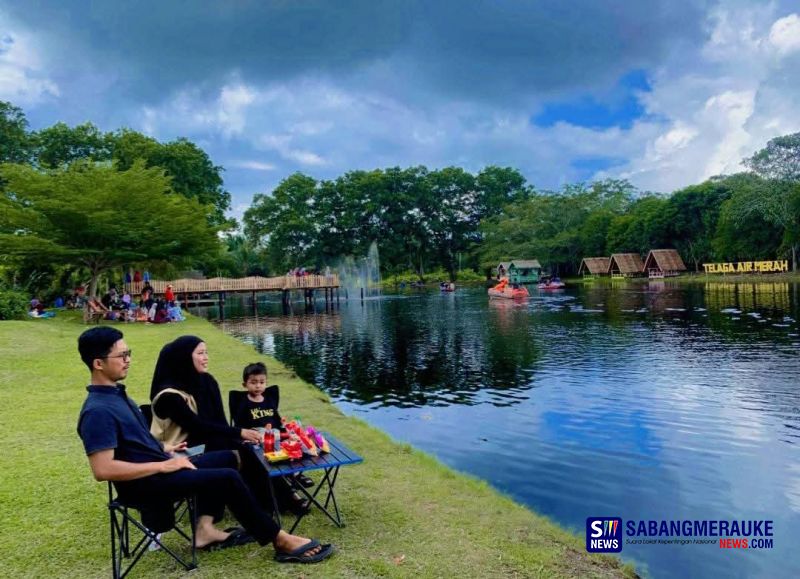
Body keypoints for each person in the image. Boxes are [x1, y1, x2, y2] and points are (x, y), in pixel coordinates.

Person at [76, 327, 334, 563]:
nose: (128, 359)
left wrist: (165, 451)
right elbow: (103, 470)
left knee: (232, 456)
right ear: (98, 363)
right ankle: (280, 539)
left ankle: (205, 530)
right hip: (147, 484)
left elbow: (134, 444)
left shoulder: (118, 396)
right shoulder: (98, 410)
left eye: (128, 353)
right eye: (121, 356)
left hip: (160, 467)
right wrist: (163, 466)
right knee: (227, 477)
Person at [149, 336, 309, 514]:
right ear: (184, 357)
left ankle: (276, 498)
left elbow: (218, 421)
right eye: (200, 353)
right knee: (242, 452)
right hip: (176, 453)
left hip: (202, 443)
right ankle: (277, 500)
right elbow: (197, 426)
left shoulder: (205, 381)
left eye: (206, 352)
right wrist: (239, 432)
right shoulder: (169, 395)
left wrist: (237, 437)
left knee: (248, 448)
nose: (206, 357)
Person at [234, 363, 314, 489]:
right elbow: (239, 425)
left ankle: (295, 474)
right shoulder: (244, 404)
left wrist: (285, 429)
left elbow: (277, 420)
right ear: (245, 385)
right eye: (253, 382)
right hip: (259, 438)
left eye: (261, 382)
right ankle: (289, 478)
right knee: (276, 447)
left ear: (266, 383)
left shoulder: (269, 400)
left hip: (275, 433)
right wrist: (246, 436)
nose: (258, 385)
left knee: (295, 441)